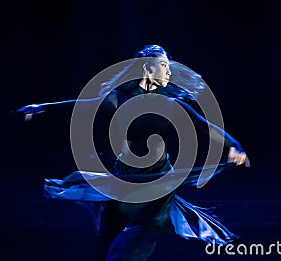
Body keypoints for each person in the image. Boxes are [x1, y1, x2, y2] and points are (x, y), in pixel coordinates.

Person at [17, 44, 249, 260]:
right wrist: (43, 107)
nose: (169, 72)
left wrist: (234, 145)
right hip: (124, 178)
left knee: (142, 238)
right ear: (148, 67)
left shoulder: (172, 106)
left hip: (158, 183)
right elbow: (83, 104)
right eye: (164, 65)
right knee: (107, 239)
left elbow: (206, 128)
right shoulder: (119, 100)